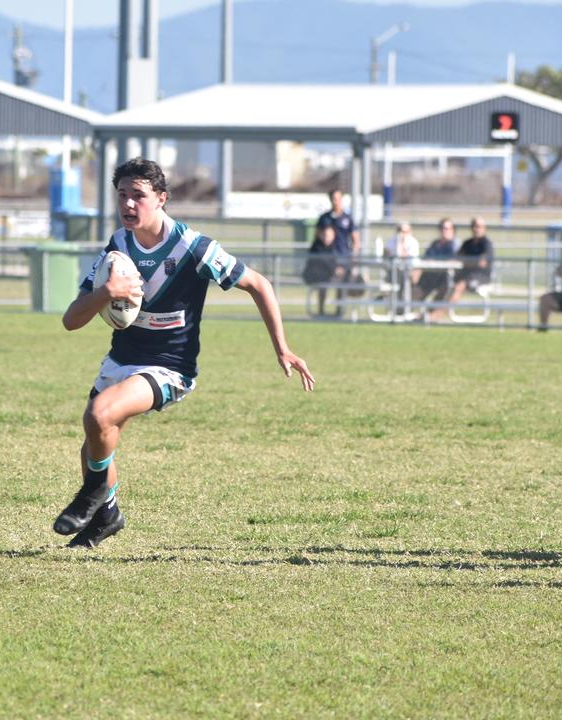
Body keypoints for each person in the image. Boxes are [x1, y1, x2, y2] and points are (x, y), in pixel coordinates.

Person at [56, 157, 315, 548]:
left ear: (161, 198)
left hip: (169, 368)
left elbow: (258, 284)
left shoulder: (194, 248)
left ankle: (91, 497)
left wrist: (283, 347)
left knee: (98, 414)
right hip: (121, 361)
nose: (128, 204)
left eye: (138, 196)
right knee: (96, 441)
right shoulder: (118, 248)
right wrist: (105, 293)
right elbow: (71, 321)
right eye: (122, 195)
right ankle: (108, 513)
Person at [309, 189, 361, 316]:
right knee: (323, 284)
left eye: (337, 198)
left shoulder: (347, 219)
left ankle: (339, 312)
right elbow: (317, 237)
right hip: (326, 258)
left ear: (341, 199)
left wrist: (353, 256)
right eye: (333, 198)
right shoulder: (324, 218)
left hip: (342, 257)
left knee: (341, 285)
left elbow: (356, 240)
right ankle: (321, 311)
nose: (335, 201)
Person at [446, 216, 495, 305]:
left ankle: (433, 316)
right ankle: (429, 313)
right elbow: (456, 258)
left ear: (484, 228)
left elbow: (482, 263)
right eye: (474, 226)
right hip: (465, 275)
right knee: (443, 286)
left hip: (481, 277)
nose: (476, 229)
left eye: (479, 226)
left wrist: (464, 262)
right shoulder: (467, 243)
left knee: (459, 287)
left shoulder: (486, 244)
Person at [418, 218, 457, 320]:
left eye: (447, 228)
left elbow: (454, 261)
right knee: (416, 285)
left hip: (446, 277)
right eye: (442, 228)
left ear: (453, 230)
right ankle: (402, 311)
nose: (444, 231)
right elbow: (427, 258)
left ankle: (430, 315)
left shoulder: (455, 245)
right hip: (430, 275)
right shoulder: (435, 244)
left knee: (445, 288)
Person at [384, 222, 420, 314]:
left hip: (409, 273)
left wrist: (402, 244)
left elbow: (409, 259)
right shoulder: (392, 241)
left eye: (405, 231)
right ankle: (396, 309)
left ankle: (403, 309)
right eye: (399, 230)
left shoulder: (413, 242)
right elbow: (386, 255)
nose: (401, 233)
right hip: (393, 272)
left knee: (405, 280)